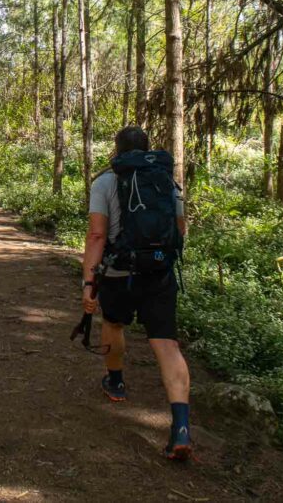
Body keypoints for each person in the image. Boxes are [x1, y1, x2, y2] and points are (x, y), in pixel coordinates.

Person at [81, 125, 192, 461]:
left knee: (113, 325)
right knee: (167, 345)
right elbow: (180, 229)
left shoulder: (105, 182)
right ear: (147, 148)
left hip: (119, 274)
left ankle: (115, 382)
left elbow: (97, 235)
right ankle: (182, 428)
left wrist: (89, 283)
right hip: (159, 273)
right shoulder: (167, 183)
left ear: (117, 150)